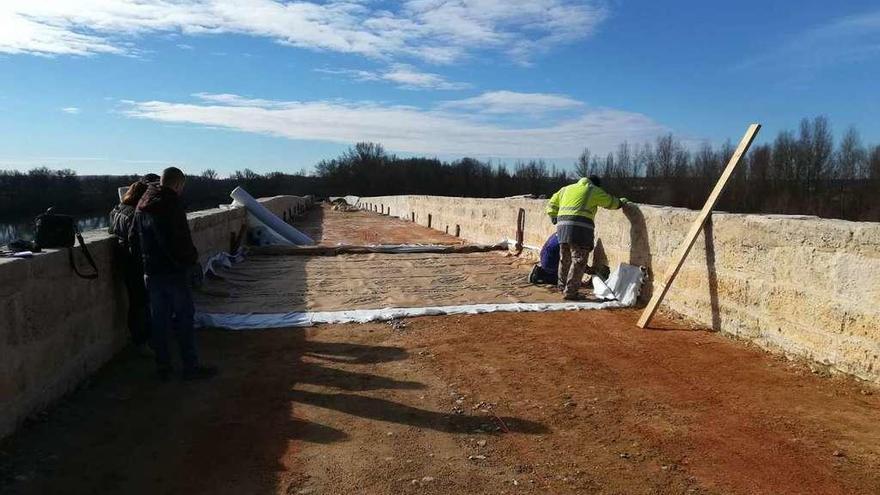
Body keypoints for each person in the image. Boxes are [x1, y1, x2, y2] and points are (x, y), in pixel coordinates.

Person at [136, 167, 217, 381]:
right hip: (174, 271)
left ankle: (163, 368)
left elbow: (139, 239)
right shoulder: (170, 204)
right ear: (178, 184)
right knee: (183, 319)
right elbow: (178, 241)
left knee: (159, 321)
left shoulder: (143, 202)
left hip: (151, 271)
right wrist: (190, 262)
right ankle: (190, 367)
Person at [546, 175, 629, 300]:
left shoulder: (566, 189)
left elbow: (551, 203)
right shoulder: (592, 190)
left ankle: (562, 287)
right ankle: (570, 292)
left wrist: (553, 216)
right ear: (596, 184)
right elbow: (610, 202)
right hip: (580, 229)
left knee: (565, 258)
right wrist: (621, 203)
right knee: (579, 261)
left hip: (562, 228)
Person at [109, 173, 159, 355]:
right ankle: (142, 342)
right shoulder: (135, 214)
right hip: (136, 264)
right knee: (141, 304)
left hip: (124, 262)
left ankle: (141, 341)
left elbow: (113, 232)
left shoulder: (117, 210)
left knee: (137, 303)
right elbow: (138, 241)